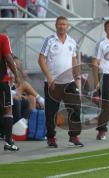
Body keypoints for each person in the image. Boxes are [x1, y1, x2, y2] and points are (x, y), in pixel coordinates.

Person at [38, 16, 83, 148]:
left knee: (75, 108)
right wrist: (49, 77)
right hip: (53, 82)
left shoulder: (72, 41)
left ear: (67, 26)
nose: (62, 26)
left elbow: (74, 60)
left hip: (69, 81)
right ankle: (51, 137)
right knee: (51, 111)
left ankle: (74, 136)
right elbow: (41, 59)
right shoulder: (49, 40)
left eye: (64, 24)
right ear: (56, 25)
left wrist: (77, 78)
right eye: (60, 24)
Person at [0, 32, 20, 151]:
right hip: (2, 80)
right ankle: (8, 141)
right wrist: (16, 74)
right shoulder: (3, 38)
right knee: (8, 108)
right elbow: (8, 57)